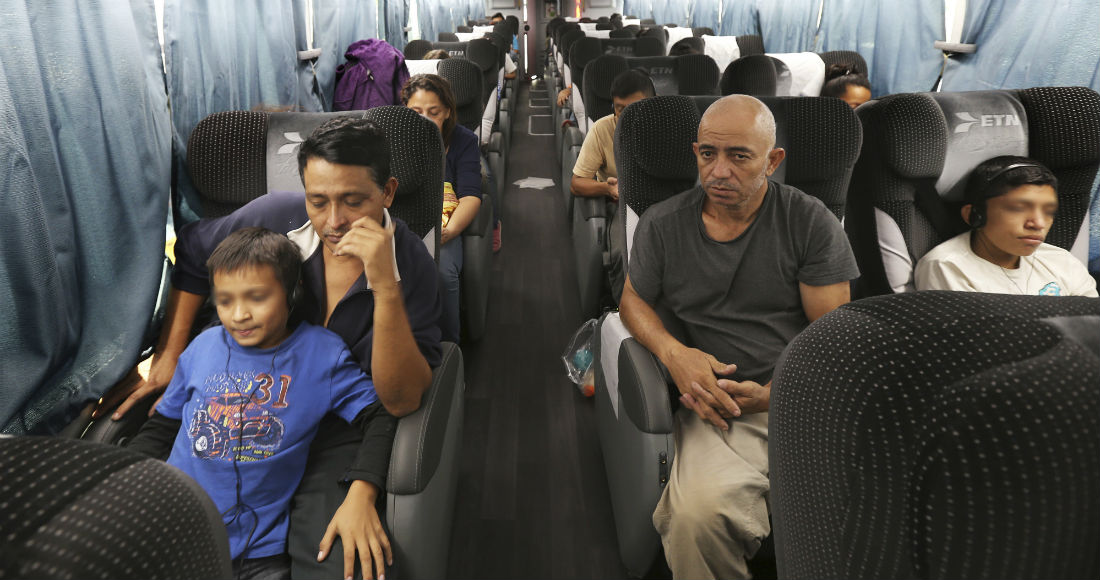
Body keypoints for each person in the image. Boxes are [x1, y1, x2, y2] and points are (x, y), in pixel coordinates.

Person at [95, 116, 443, 578]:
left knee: (343, 565)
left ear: (389, 193)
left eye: (353, 201)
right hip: (242, 407)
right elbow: (196, 260)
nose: (333, 222)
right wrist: (169, 357)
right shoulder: (274, 218)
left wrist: (385, 286)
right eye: (318, 202)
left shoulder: (411, 263)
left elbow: (399, 400)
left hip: (336, 429)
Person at [619, 94, 859, 578]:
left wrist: (776, 393)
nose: (718, 171)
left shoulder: (810, 221)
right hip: (719, 407)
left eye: (738, 156)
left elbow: (833, 337)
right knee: (695, 518)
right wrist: (673, 353)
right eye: (708, 154)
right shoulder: (663, 224)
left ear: (773, 161)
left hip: (806, 396)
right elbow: (632, 300)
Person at [127, 227, 396, 580]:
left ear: (292, 293)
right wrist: (118, 482)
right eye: (225, 301)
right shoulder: (203, 346)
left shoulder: (322, 354)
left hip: (259, 553)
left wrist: (363, 492)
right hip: (174, 534)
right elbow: (161, 428)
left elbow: (380, 414)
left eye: (256, 298)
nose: (238, 315)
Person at [915, 156, 1098, 296]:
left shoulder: (1062, 261)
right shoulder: (948, 267)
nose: (1038, 224)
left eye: (1048, 212)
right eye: (1018, 209)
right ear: (974, 215)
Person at [402, 74, 484, 342]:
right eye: (416, 112)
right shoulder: (395, 139)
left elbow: (470, 196)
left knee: (441, 272)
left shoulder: (464, 141)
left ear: (447, 112)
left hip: (444, 225)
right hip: (402, 224)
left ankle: (449, 346)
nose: (424, 119)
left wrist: (447, 231)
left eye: (433, 112)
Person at [571, 69, 655, 302]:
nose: (626, 115)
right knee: (623, 253)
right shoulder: (603, 129)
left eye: (635, 108)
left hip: (664, 204)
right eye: (620, 109)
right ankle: (623, 315)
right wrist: (607, 189)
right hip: (623, 206)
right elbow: (577, 183)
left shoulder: (666, 129)